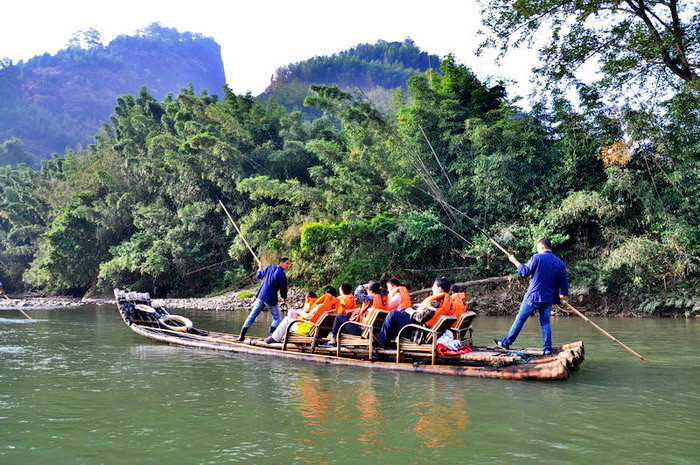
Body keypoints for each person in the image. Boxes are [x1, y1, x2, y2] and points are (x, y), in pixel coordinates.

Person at [494, 237, 569, 355]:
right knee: (545, 323)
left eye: (538, 248)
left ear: (542, 247)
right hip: (548, 298)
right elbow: (564, 281)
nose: (537, 250)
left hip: (533, 296)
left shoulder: (537, 258)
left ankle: (506, 343)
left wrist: (514, 261)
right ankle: (547, 349)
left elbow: (524, 271)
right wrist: (563, 294)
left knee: (520, 318)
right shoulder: (559, 262)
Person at [379, 276, 452, 346]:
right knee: (401, 313)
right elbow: (430, 316)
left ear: (440, 289)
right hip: (427, 331)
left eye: (434, 286)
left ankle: (382, 343)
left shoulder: (436, 303)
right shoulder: (444, 302)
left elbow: (421, 318)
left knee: (393, 314)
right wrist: (419, 308)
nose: (432, 288)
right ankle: (388, 341)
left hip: (420, 333)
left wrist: (411, 311)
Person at [237, 257, 290, 341]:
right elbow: (283, 289)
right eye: (287, 263)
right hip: (270, 298)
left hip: (261, 296)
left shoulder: (270, 267)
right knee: (276, 318)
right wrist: (284, 298)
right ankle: (271, 337)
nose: (288, 265)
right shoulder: (282, 275)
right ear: (281, 263)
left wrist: (260, 269)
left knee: (252, 316)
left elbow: (259, 275)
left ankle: (241, 336)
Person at [266, 286, 339, 343]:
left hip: (307, 329)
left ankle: (274, 338)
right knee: (291, 320)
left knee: (287, 319)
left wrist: (299, 312)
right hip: (322, 332)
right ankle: (280, 337)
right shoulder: (336, 308)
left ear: (325, 294)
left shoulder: (320, 306)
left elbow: (309, 316)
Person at [324, 281, 387, 346]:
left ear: (370, 291)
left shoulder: (370, 299)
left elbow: (357, 294)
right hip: (372, 329)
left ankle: (333, 340)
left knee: (338, 317)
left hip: (361, 329)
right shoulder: (382, 300)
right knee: (343, 319)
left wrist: (362, 286)